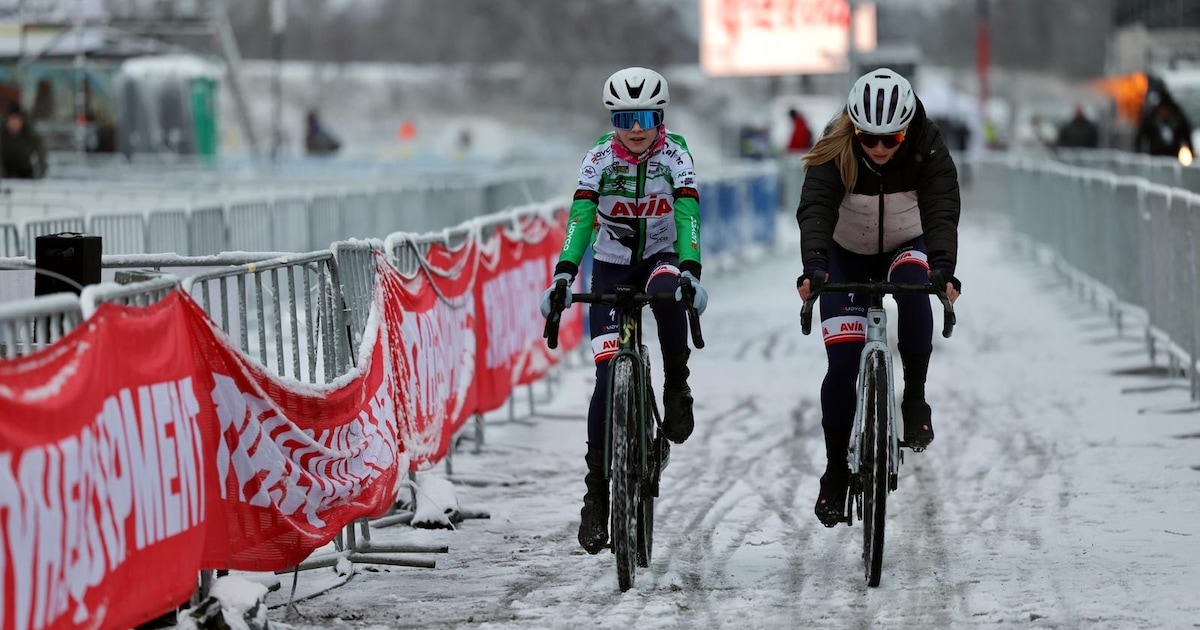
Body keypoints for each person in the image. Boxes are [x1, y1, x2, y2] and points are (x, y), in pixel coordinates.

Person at [539, 66, 708, 554]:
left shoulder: (676, 156)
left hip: (660, 259)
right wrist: (565, 273)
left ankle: (676, 384)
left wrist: (690, 266)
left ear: (662, 117)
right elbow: (582, 217)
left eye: (647, 117)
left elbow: (687, 213)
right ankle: (596, 494)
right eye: (626, 118)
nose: (637, 129)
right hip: (611, 267)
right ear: (613, 119)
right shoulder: (597, 160)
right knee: (607, 374)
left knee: (667, 292)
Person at [795, 68, 962, 528]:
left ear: (908, 129)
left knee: (916, 282)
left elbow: (942, 209)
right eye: (870, 139)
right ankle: (834, 471)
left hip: (906, 245)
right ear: (855, 129)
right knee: (843, 364)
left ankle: (915, 398)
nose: (881, 149)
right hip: (844, 255)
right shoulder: (836, 145)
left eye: (893, 139)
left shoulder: (928, 145)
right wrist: (814, 265)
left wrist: (944, 268)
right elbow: (816, 208)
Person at [1, 103, 48, 179]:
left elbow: (41, 148)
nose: (14, 123)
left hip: (25, 171)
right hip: (5, 171)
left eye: (17, 119)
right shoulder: (2, 132)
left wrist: (42, 171)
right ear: (7, 120)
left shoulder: (29, 132)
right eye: (12, 119)